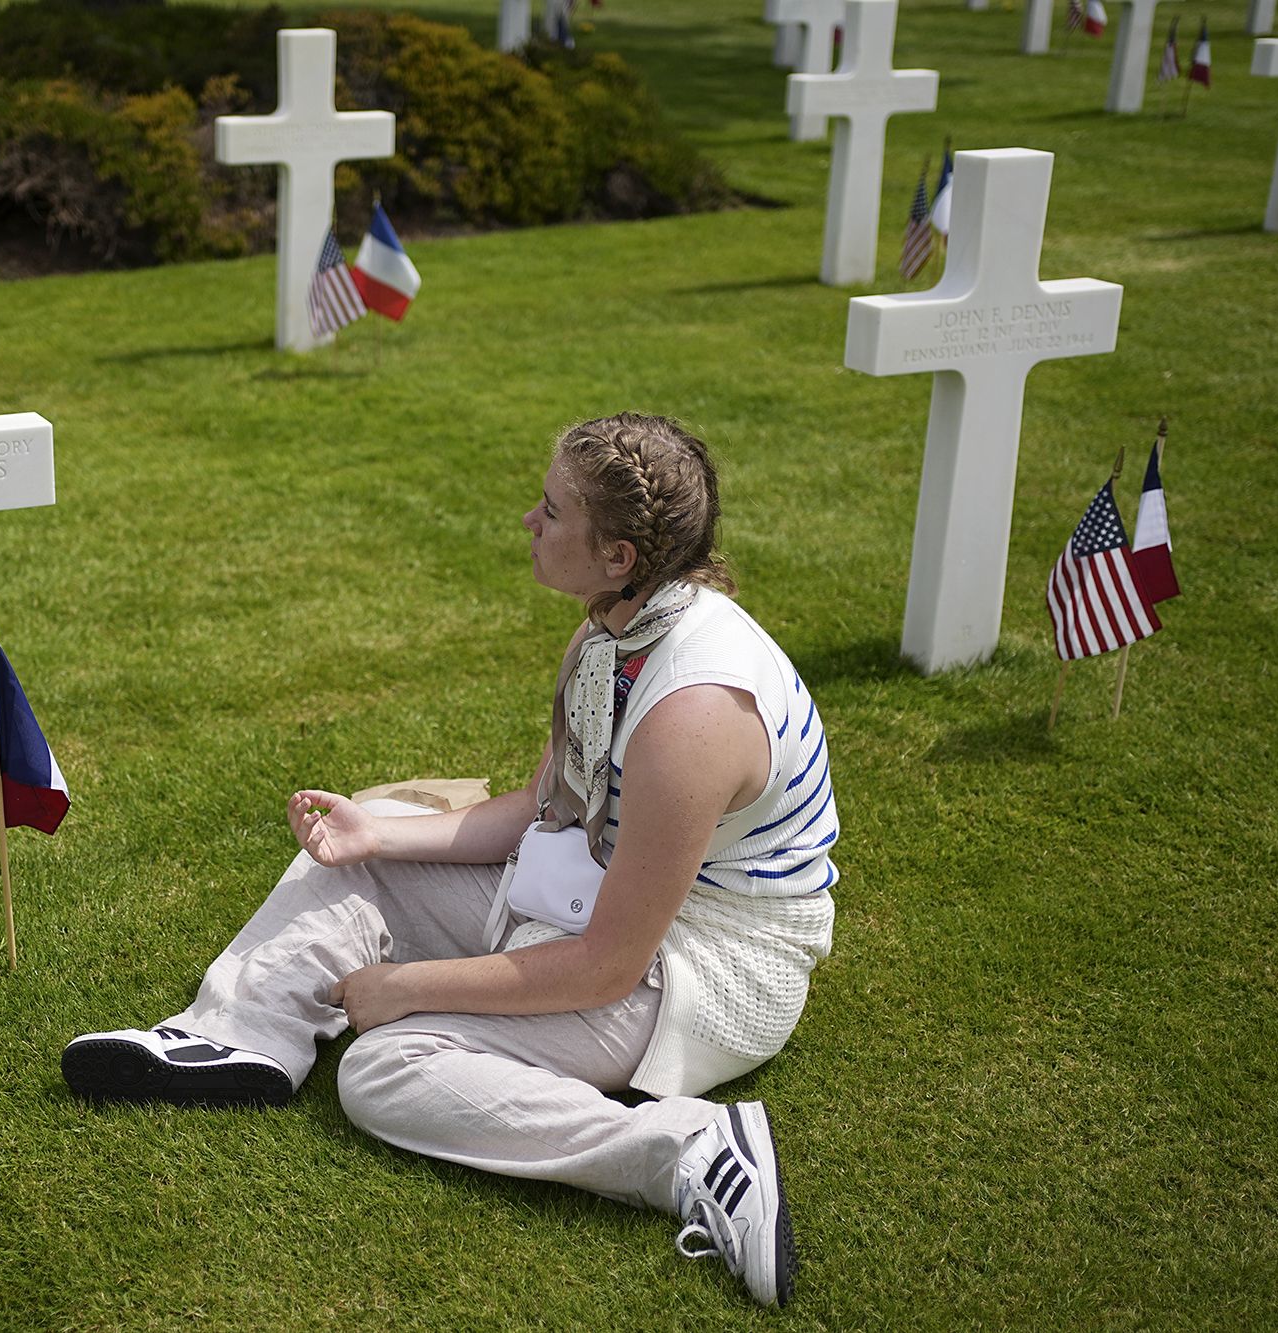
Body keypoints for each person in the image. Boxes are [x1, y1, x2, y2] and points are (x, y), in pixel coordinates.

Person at [63, 413, 838, 1308]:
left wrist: (408, 988)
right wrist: (376, 836)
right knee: (376, 828)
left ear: (620, 554)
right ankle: (238, 1039)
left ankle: (691, 1150)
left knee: (384, 1066)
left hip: (706, 966)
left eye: (551, 510)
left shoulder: (691, 715)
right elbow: (543, 810)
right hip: (601, 894)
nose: (528, 522)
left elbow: (607, 965)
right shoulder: (615, 630)